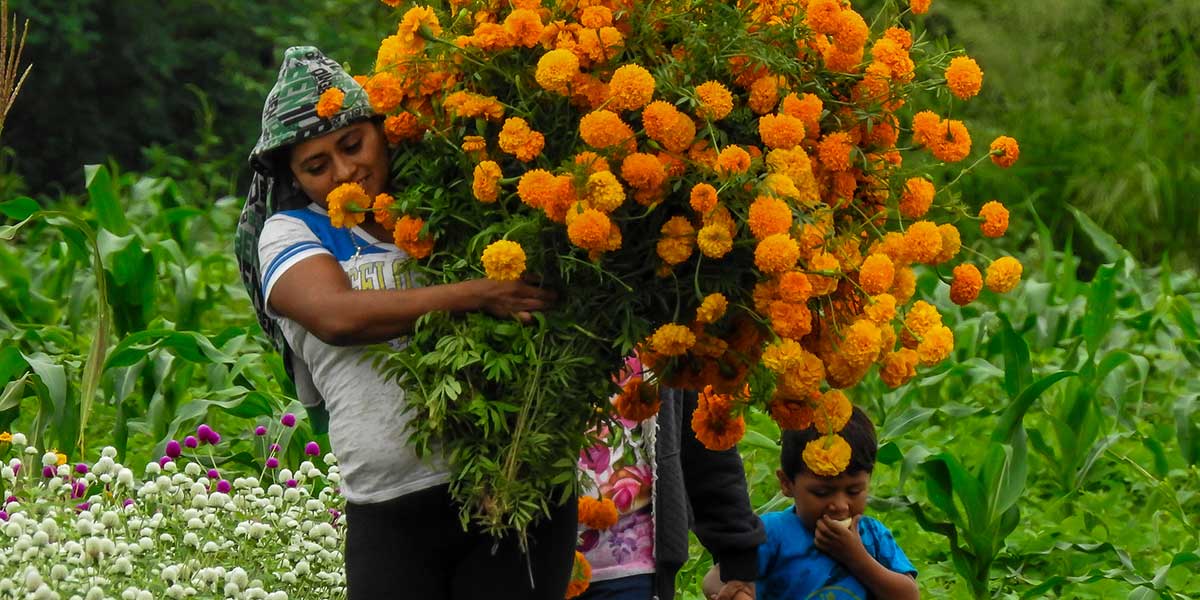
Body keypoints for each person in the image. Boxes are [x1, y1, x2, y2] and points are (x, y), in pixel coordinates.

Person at [234, 46, 573, 600]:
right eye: (317, 166)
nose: (346, 171)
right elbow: (337, 317)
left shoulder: (453, 206)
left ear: (379, 128)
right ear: (293, 177)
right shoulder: (292, 233)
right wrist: (477, 295)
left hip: (516, 488)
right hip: (390, 508)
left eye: (353, 144)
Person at [576, 356, 765, 600]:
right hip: (527, 556)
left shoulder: (663, 334)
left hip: (629, 566)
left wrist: (736, 557)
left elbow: (704, 450)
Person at [702, 407, 918, 600]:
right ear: (787, 483)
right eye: (822, 492)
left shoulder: (873, 536)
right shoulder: (771, 534)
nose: (840, 506)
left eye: (854, 491)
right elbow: (713, 579)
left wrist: (857, 557)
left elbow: (909, 595)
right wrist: (739, 593)